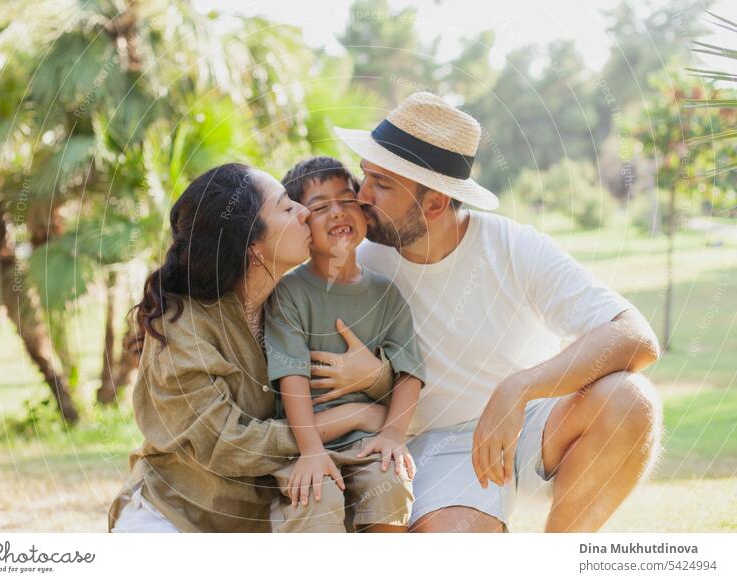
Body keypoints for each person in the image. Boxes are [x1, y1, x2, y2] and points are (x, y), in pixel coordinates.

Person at [319, 91, 664, 533]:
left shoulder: (512, 246)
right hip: (440, 447)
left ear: (436, 203)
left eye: (382, 185)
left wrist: (519, 390)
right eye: (366, 176)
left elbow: (636, 336)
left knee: (630, 399)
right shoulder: (360, 264)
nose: (360, 196)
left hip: (536, 423)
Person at [108, 162, 396, 532]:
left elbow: (379, 373)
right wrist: (350, 416)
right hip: (178, 517)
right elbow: (228, 443)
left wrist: (374, 377)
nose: (305, 212)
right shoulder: (183, 327)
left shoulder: (296, 300)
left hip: (269, 516)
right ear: (254, 246)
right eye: (287, 207)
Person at [262, 157, 425, 533]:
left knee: (391, 484)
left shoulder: (386, 294)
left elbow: (409, 371)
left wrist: (392, 435)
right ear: (302, 223)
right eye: (319, 207)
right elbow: (292, 375)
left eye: (347, 200)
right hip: (307, 435)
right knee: (317, 495)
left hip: (367, 439)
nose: (337, 212)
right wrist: (311, 450)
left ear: (365, 213)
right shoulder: (289, 293)